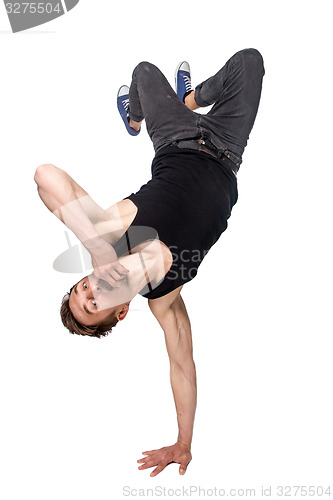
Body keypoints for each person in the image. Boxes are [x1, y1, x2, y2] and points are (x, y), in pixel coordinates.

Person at [34, 48, 265, 477]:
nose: (89, 289)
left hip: (176, 139)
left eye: (80, 287)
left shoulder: (108, 233)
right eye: (91, 305)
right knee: (249, 62)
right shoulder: (165, 297)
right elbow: (182, 368)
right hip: (225, 150)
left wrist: (102, 251)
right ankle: (188, 99)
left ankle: (151, 114)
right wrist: (183, 443)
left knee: (143, 71)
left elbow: (46, 176)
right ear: (120, 313)